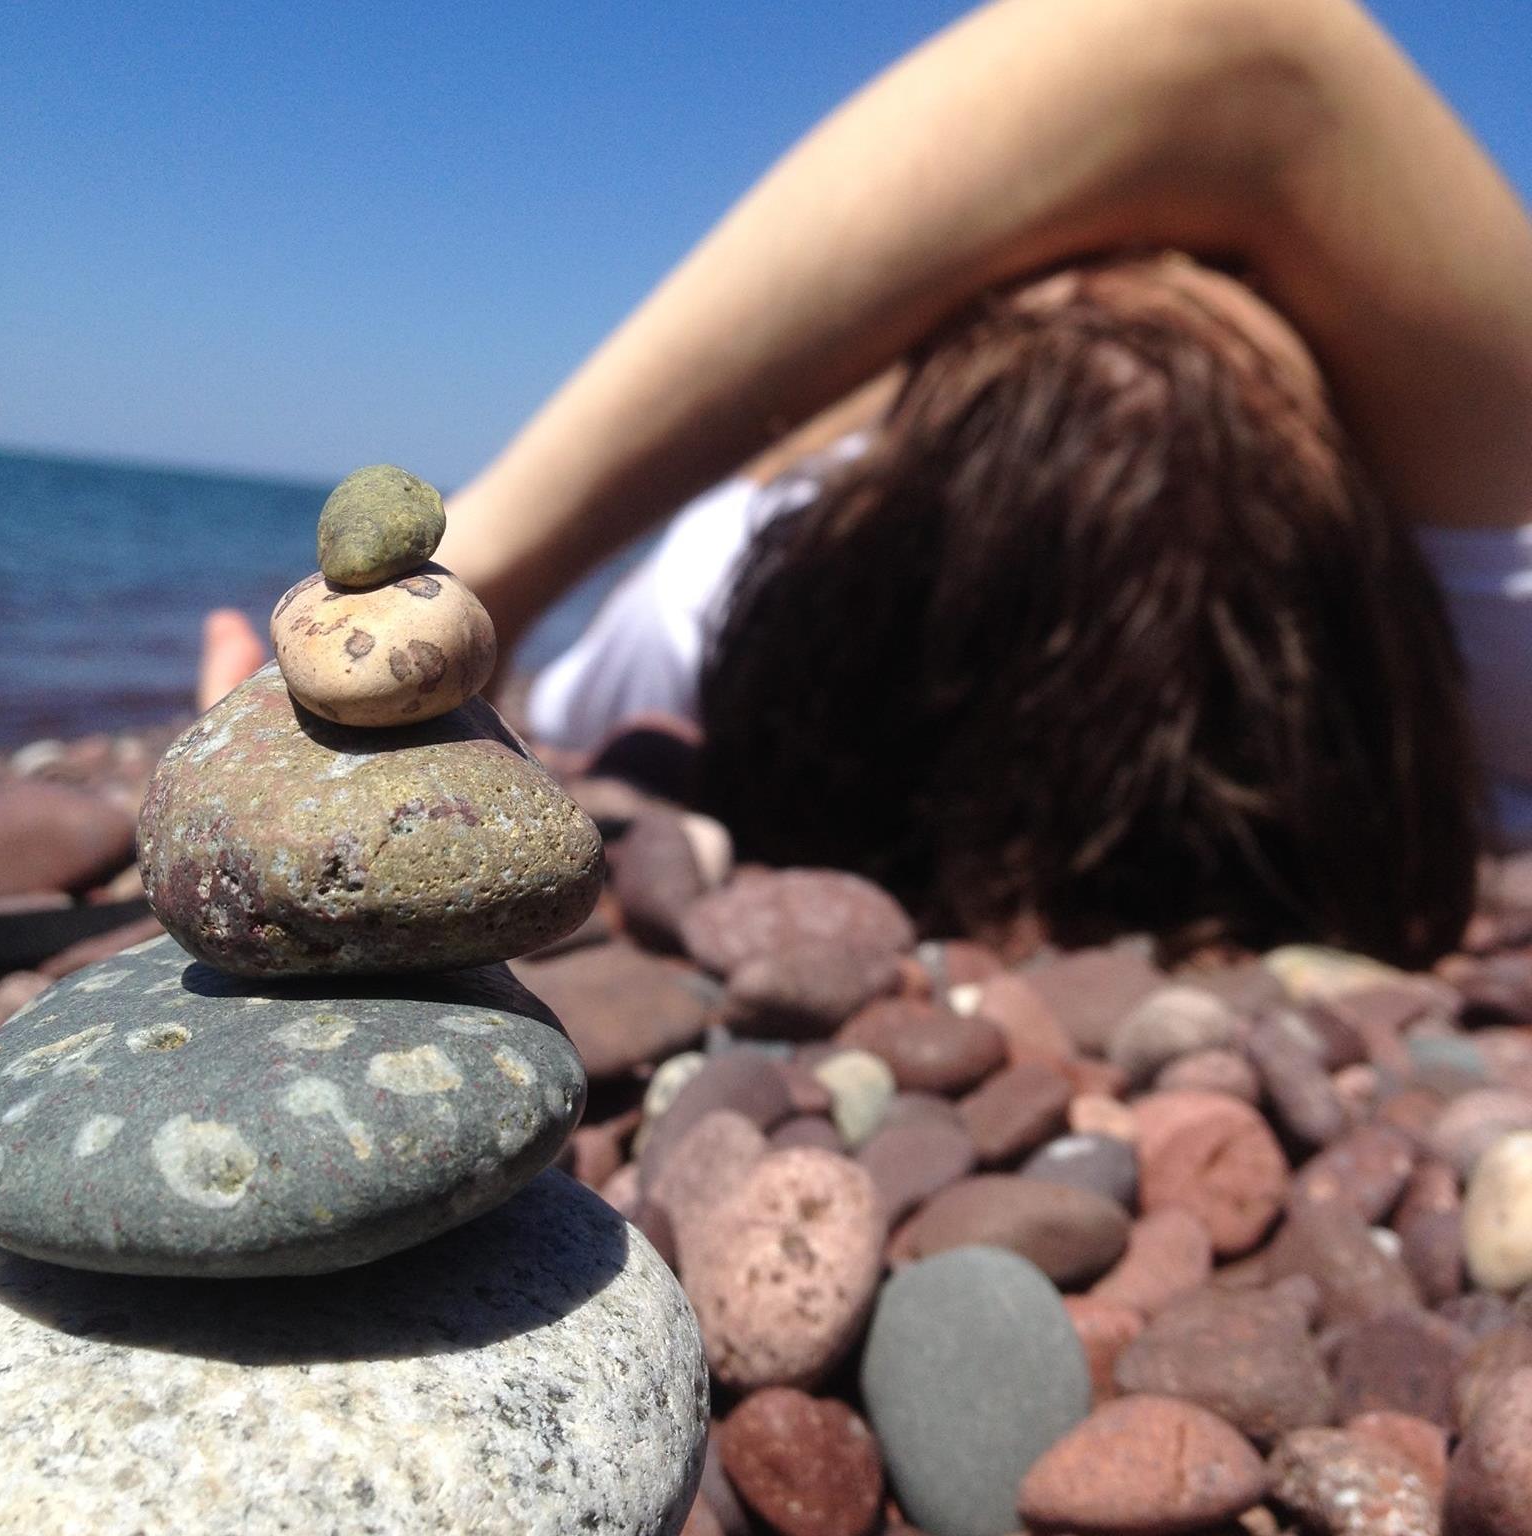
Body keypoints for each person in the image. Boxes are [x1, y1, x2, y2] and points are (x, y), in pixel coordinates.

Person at [206, 0, 1532, 963]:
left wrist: (471, 581)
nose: (1167, 237)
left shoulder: (721, 595)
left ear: (872, 488)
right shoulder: (1488, 643)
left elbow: (1242, 49)